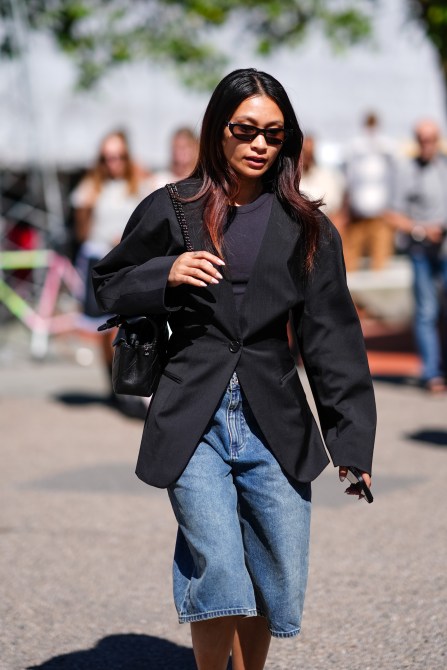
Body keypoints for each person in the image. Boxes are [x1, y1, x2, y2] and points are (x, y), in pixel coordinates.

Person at [93, 69, 376, 670]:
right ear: (217, 131)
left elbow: (332, 338)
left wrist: (350, 439)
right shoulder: (173, 208)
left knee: (271, 565)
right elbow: (107, 284)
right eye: (245, 130)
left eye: (274, 134)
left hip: (275, 416)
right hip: (191, 412)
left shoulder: (309, 227)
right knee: (219, 565)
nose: (259, 145)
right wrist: (163, 274)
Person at [71, 129, 153, 417]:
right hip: (99, 261)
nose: (113, 163)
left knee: (125, 326)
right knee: (103, 330)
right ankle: (115, 383)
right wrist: (87, 208)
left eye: (119, 157)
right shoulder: (91, 187)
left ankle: (129, 384)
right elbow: (81, 233)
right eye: (108, 158)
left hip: (128, 263)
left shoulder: (139, 184)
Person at [386, 119, 447, 393]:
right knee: (426, 311)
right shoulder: (405, 170)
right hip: (422, 250)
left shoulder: (443, 166)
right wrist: (422, 230)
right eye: (423, 139)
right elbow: (391, 215)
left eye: (432, 139)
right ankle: (431, 372)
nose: (428, 144)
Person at [342, 112, 396, 271]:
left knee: (380, 262)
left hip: (380, 214)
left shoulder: (386, 145)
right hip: (358, 213)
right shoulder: (356, 146)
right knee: (350, 261)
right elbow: (349, 178)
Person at [300, 133, 347, 233]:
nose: (307, 156)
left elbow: (336, 208)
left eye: (310, 152)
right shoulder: (290, 178)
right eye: (305, 152)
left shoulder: (326, 177)